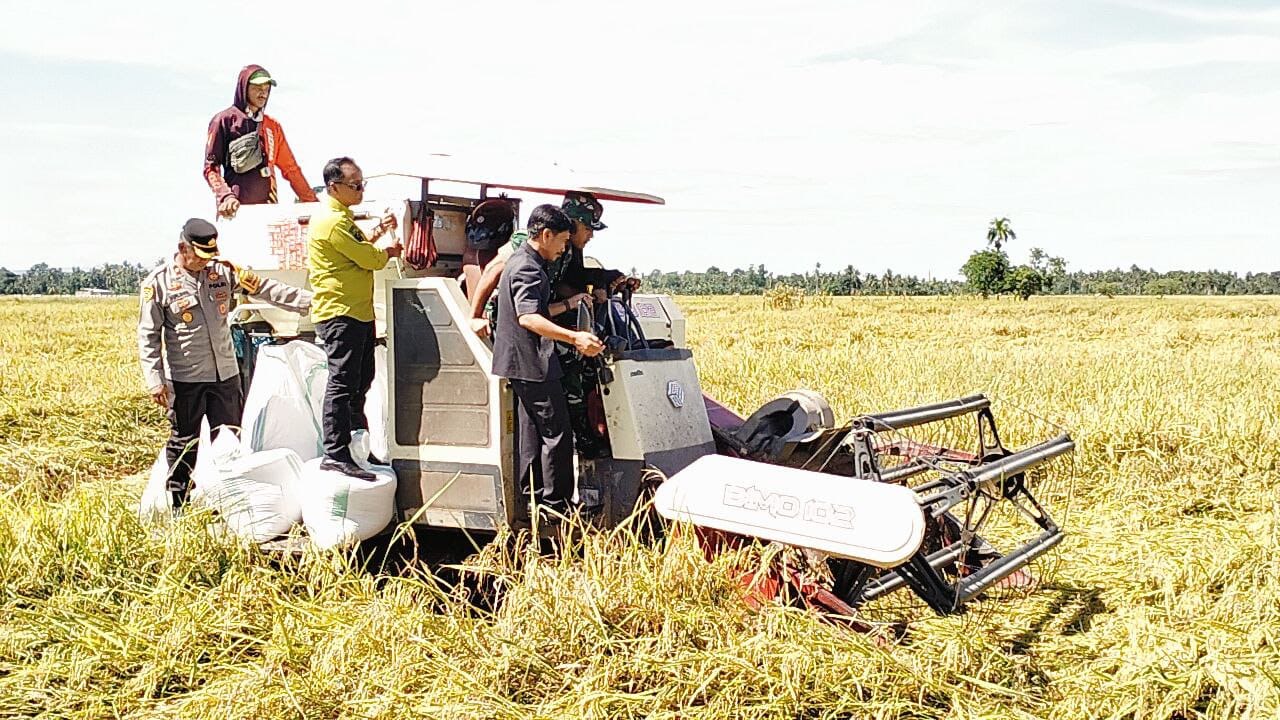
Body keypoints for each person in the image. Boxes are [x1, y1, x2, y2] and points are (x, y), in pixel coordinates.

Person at [139, 218, 312, 511]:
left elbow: (266, 289)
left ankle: (231, 502)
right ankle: (180, 502)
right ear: (183, 247)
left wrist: (311, 301)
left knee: (231, 439)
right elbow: (148, 334)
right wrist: (155, 379)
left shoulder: (223, 272)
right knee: (184, 443)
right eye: (200, 257)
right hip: (187, 379)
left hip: (225, 376)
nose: (206, 264)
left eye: (210, 257)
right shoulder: (159, 284)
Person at [491, 204, 603, 518]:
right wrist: (575, 337)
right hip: (532, 362)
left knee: (532, 434)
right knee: (557, 433)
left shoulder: (522, 262)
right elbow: (528, 319)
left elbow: (535, 312)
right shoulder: (528, 267)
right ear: (545, 234)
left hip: (521, 363)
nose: (564, 248)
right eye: (563, 241)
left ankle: (533, 499)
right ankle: (557, 505)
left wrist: (569, 303)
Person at [307, 157, 401, 480]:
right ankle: (335, 452)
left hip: (358, 312)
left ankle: (357, 445)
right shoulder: (331, 222)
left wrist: (378, 231)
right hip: (339, 313)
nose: (360, 190)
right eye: (355, 185)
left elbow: (358, 247)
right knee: (343, 382)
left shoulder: (342, 219)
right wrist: (388, 252)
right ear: (334, 187)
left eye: (362, 184)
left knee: (361, 380)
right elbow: (368, 257)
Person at [204, 65, 317, 219]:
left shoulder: (272, 126)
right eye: (257, 87)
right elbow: (211, 168)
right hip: (235, 210)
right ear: (244, 88)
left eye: (266, 88)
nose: (263, 92)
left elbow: (291, 169)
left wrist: (313, 203)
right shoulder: (223, 121)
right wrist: (225, 196)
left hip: (269, 209)